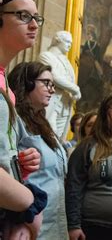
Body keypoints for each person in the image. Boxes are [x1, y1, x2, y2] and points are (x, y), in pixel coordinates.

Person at [0, 0, 46, 239]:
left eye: (36, 18)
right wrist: (31, 204)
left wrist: (19, 161)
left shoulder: (6, 85)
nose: (34, 25)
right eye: (23, 16)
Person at [9, 61, 69, 240]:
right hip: (30, 225)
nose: (52, 90)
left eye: (53, 85)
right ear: (27, 83)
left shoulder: (44, 124)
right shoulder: (13, 119)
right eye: (47, 83)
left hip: (56, 222)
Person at [66, 93, 112, 240]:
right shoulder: (88, 145)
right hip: (93, 225)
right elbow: (74, 187)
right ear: (105, 112)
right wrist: (73, 225)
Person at [39, 30, 82, 140]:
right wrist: (75, 89)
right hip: (52, 102)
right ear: (57, 40)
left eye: (71, 43)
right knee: (49, 136)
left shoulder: (66, 62)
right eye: (67, 42)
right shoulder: (46, 56)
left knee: (59, 140)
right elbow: (54, 76)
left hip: (65, 105)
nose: (69, 45)